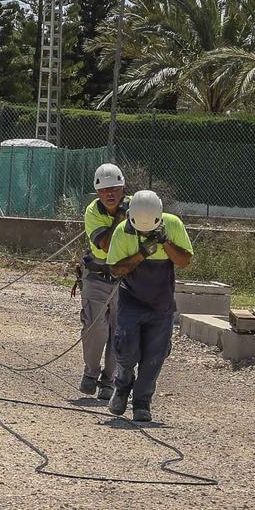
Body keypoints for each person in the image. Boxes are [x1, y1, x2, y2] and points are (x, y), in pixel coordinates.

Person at [104, 189, 193, 423]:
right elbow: (115, 270)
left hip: (161, 304)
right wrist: (142, 253)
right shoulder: (123, 232)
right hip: (131, 300)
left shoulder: (173, 225)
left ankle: (142, 402)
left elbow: (184, 261)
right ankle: (122, 385)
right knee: (125, 348)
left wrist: (165, 242)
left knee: (155, 355)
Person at [77, 163, 127, 398]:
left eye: (114, 189)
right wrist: (120, 217)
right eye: (104, 190)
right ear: (97, 193)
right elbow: (106, 245)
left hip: (125, 279)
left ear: (122, 188)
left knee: (119, 331)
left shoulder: (135, 206)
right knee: (96, 327)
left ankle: (109, 380)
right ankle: (91, 372)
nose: (109, 194)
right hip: (97, 277)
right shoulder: (93, 212)